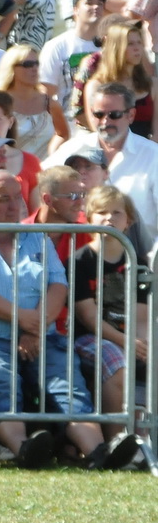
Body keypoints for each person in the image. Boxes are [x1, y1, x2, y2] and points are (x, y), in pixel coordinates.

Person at [0, 171, 118, 469]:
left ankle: (98, 452)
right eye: (3, 199)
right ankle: (23, 449)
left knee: (66, 384)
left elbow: (58, 285)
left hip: (41, 336)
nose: (14, 206)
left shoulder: (35, 236)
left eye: (17, 197)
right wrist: (23, 319)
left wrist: (36, 328)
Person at [71, 183, 149, 435]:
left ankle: (144, 437)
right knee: (117, 361)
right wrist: (127, 342)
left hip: (130, 336)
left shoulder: (137, 261)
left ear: (129, 220)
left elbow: (141, 313)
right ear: (89, 218)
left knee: (149, 360)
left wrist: (143, 344)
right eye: (102, 212)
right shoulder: (79, 260)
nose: (109, 218)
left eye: (117, 213)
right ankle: (117, 439)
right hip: (89, 337)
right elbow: (87, 316)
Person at [45, 81, 158, 236]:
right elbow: (41, 181)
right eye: (99, 114)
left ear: (131, 115)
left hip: (140, 255)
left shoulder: (153, 156)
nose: (106, 121)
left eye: (114, 115)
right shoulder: (74, 147)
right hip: (80, 253)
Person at [0, 44, 68, 155]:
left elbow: (63, 134)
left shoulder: (49, 103)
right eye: (27, 64)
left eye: (36, 64)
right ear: (12, 68)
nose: (34, 68)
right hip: (12, 168)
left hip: (45, 168)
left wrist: (53, 151)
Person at [39, 0, 106, 101]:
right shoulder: (56, 46)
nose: (96, 7)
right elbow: (46, 90)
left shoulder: (112, 44)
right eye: (89, 3)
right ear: (76, 10)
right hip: (67, 117)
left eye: (100, 3)